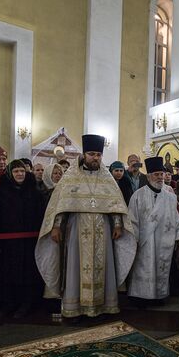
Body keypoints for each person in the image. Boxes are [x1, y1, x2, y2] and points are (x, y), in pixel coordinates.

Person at [35, 135, 136, 320]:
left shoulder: (107, 178)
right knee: (75, 266)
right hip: (76, 228)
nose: (95, 158)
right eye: (91, 154)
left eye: (98, 154)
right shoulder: (71, 177)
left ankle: (104, 306)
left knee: (104, 265)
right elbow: (60, 205)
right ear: (84, 154)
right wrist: (56, 227)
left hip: (103, 229)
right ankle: (76, 307)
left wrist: (118, 224)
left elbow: (115, 204)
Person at [0, 160, 46, 319]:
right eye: (16, 171)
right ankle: (9, 303)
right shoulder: (1, 193)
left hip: (29, 242)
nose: (20, 174)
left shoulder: (35, 193)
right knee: (7, 273)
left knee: (27, 273)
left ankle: (26, 303)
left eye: (22, 171)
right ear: (10, 174)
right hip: (8, 242)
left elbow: (41, 216)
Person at [127, 157, 179, 307]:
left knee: (161, 269)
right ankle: (140, 296)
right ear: (149, 175)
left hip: (164, 241)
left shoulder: (171, 198)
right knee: (143, 268)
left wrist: (178, 237)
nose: (160, 177)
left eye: (161, 174)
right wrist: (135, 240)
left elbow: (176, 219)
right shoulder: (137, 195)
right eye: (156, 174)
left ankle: (159, 296)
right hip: (144, 241)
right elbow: (132, 219)